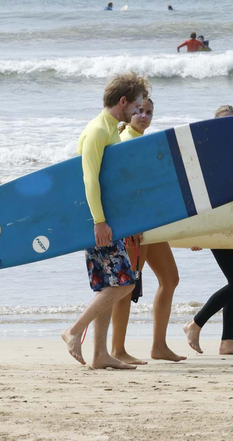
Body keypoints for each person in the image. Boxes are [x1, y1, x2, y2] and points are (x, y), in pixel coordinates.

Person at [61, 71, 149, 369]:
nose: (139, 110)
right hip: (97, 220)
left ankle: (99, 354)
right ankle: (73, 331)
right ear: (122, 101)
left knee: (108, 285)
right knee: (124, 283)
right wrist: (99, 221)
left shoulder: (112, 129)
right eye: (136, 104)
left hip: (107, 219)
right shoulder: (98, 130)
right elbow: (90, 180)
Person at [109, 97, 188, 365]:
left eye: (149, 112)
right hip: (135, 226)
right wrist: (133, 223)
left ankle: (158, 346)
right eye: (139, 111)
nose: (144, 116)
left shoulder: (145, 141)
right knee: (125, 287)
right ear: (129, 111)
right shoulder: (125, 141)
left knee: (170, 278)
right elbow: (122, 188)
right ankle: (117, 350)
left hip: (150, 224)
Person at [183, 104, 233, 356]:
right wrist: (199, 232)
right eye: (223, 122)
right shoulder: (208, 154)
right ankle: (195, 323)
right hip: (216, 224)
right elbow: (199, 195)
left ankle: (228, 342)